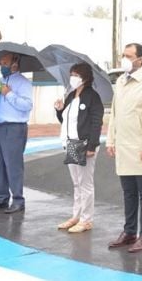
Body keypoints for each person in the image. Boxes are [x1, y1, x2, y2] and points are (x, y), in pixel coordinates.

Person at [106, 43, 142, 253]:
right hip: (123, 146)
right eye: (124, 55)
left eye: (129, 56)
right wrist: (110, 140)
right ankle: (129, 232)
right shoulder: (121, 81)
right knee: (128, 192)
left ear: (141, 58)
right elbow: (114, 113)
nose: (125, 59)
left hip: (141, 148)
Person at [54, 62, 104, 233]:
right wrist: (59, 110)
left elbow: (96, 122)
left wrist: (92, 145)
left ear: (85, 77)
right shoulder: (71, 95)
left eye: (76, 75)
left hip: (84, 144)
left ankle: (86, 219)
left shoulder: (93, 97)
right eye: (71, 74)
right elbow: (66, 120)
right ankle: (76, 216)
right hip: (71, 143)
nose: (72, 78)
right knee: (76, 183)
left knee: (85, 183)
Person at [0, 52, 34, 214]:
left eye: (5, 63)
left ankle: (18, 200)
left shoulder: (23, 83)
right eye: (0, 63)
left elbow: (27, 105)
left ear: (15, 63)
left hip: (14, 128)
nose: (2, 66)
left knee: (13, 165)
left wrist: (9, 94)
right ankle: (1, 198)